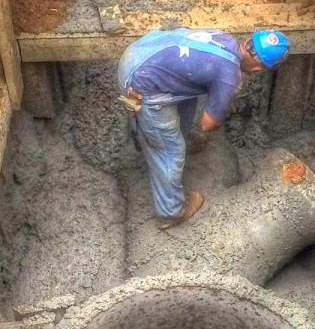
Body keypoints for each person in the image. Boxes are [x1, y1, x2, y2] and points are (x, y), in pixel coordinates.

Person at [117, 27, 290, 227]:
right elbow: (208, 124)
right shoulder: (229, 77)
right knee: (169, 152)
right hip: (140, 83)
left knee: (188, 99)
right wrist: (218, 113)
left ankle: (168, 137)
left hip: (138, 53)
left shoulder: (225, 39)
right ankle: (170, 212)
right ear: (258, 69)